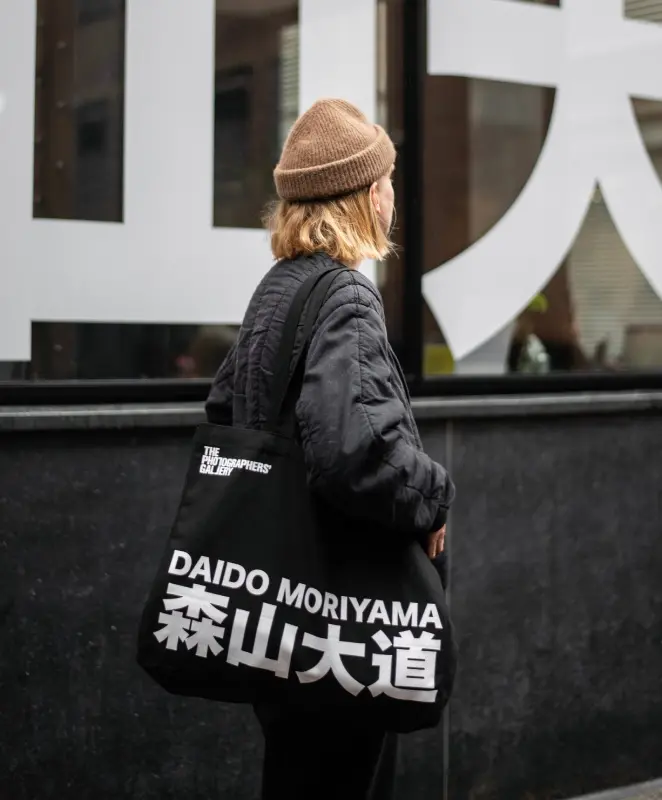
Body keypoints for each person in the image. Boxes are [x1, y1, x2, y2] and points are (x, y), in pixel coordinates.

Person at [205, 98, 455, 800]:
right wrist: (432, 495)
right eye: (389, 180)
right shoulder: (345, 296)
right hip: (335, 604)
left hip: (276, 596)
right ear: (368, 195)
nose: (394, 194)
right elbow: (351, 450)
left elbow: (226, 411)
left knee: (294, 775)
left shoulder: (277, 291)